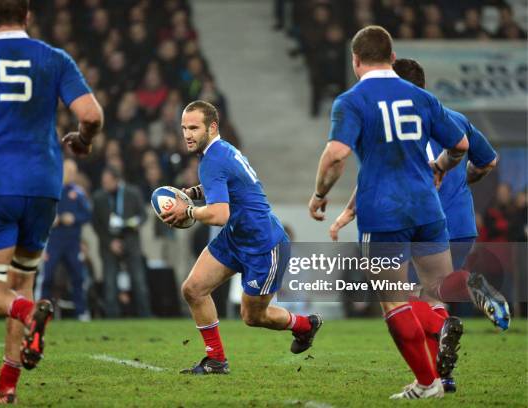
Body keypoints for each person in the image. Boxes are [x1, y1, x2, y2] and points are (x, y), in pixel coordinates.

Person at [0, 0, 103, 402]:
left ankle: (29, 314)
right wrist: (82, 141)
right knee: (21, 282)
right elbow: (92, 115)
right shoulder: (54, 58)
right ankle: (5, 388)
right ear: (27, 17)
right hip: (44, 185)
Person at [307, 26, 471, 399]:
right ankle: (441, 371)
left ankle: (427, 383)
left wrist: (320, 194)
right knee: (433, 296)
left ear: (356, 61)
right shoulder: (422, 97)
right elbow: (459, 144)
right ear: (393, 58)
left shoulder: (351, 100)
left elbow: (336, 154)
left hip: (384, 213)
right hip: (429, 211)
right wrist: (440, 167)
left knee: (394, 301)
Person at [329, 58, 510, 393]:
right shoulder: (455, 118)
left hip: (414, 220)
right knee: (435, 302)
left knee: (404, 301)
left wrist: (349, 211)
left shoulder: (393, 123)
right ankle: (444, 377)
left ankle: (435, 373)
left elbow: (379, 173)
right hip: (461, 224)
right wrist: (466, 179)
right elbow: (488, 161)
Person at [161, 100, 322, 375]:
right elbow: (229, 186)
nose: (187, 134)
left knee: (253, 316)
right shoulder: (221, 151)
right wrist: (195, 193)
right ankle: (216, 361)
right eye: (184, 128)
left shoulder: (213, 158)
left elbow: (220, 214)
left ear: (212, 127)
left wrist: (187, 210)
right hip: (236, 238)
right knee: (193, 289)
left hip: (264, 245)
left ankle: (306, 325)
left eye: (194, 127)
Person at [92, 166, 152, 317]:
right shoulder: (98, 197)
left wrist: (135, 222)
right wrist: (110, 242)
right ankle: (112, 318)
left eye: (107, 182)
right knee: (110, 283)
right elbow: (96, 224)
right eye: (103, 182)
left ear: (116, 180)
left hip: (131, 241)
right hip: (109, 245)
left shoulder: (133, 193)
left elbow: (144, 215)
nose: (104, 184)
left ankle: (145, 316)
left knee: (139, 282)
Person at [39, 158, 92, 320]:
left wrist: (74, 218)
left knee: (78, 276)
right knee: (47, 277)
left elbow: (88, 215)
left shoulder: (79, 193)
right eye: (68, 171)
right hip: (54, 241)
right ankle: (41, 312)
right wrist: (50, 219)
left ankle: (81, 312)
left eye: (73, 171)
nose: (71, 174)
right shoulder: (50, 191)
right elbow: (39, 213)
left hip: (72, 242)